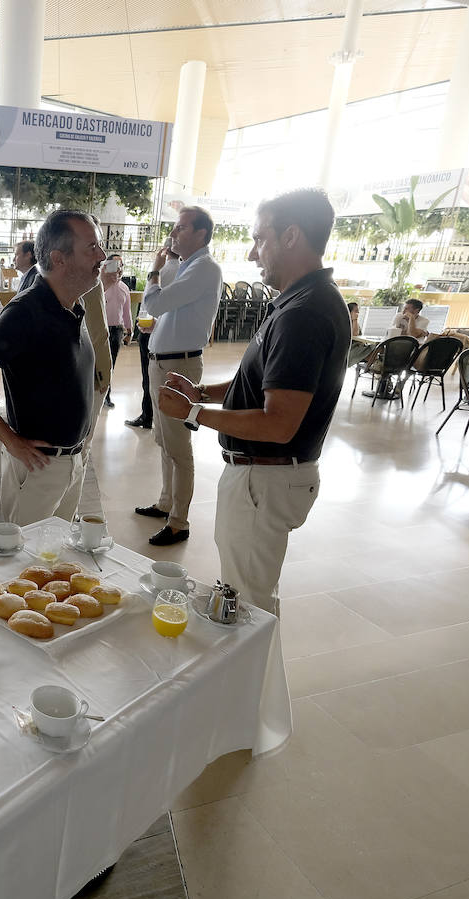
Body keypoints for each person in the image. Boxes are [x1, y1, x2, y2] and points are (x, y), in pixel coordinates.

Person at [156, 188, 349, 615]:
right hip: (263, 477)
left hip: (266, 478)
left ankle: (252, 683)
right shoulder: (300, 302)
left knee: (248, 606)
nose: (252, 252)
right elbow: (260, 383)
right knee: (242, 594)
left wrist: (193, 413)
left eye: (260, 238)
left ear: (291, 236)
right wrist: (202, 392)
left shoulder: (305, 313)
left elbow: (278, 423)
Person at [0, 209, 103, 524]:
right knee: (25, 564)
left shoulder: (75, 305)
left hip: (73, 462)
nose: (101, 256)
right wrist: (11, 440)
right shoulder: (27, 311)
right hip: (41, 469)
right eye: (91, 248)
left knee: (56, 563)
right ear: (59, 259)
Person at [135, 207, 223, 547]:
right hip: (164, 362)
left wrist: (154, 271)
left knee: (178, 446)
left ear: (201, 234)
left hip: (179, 367)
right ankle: (165, 501)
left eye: (181, 227)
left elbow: (155, 304)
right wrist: (168, 262)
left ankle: (179, 522)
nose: (174, 232)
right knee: (164, 439)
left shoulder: (205, 268)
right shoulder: (187, 266)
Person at [125, 268, 159, 430]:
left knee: (149, 377)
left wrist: (155, 269)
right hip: (155, 329)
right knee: (151, 377)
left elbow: (151, 303)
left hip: (153, 330)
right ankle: (149, 415)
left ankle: (148, 417)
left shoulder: (161, 273)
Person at [102, 254, 132, 409]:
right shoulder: (100, 285)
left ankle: (107, 395)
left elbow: (126, 312)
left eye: (120, 265)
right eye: (113, 265)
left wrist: (129, 330)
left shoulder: (124, 288)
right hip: (102, 329)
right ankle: (97, 392)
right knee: (99, 362)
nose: (117, 269)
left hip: (117, 330)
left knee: (111, 363)